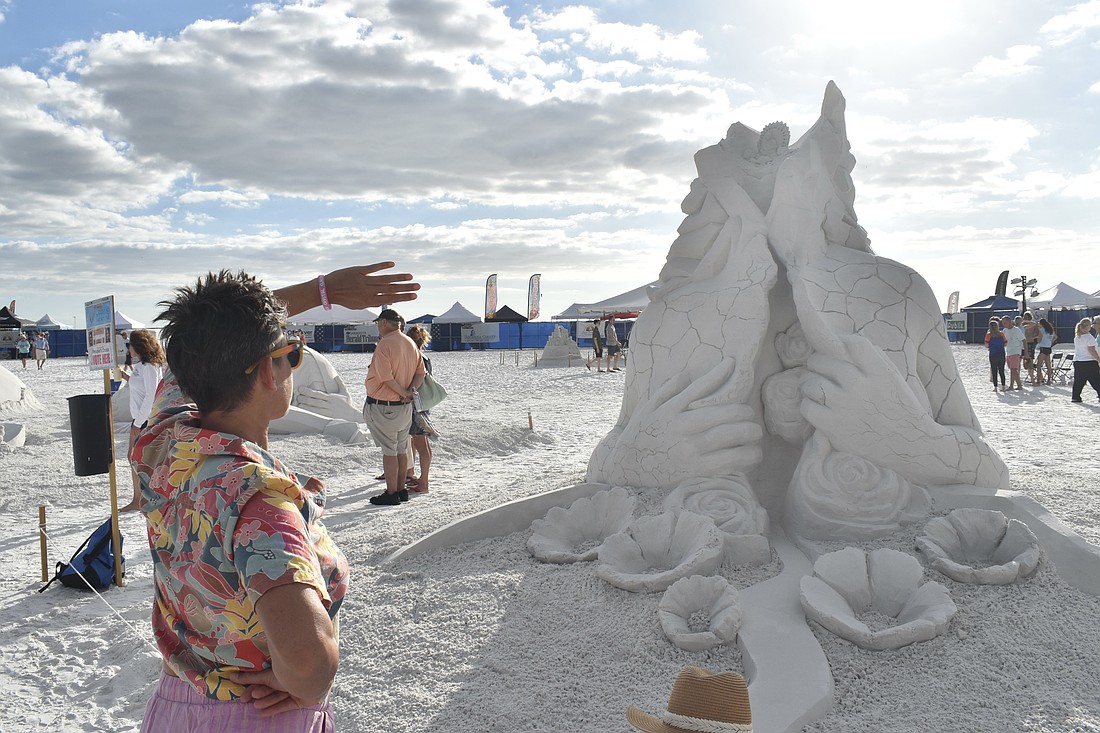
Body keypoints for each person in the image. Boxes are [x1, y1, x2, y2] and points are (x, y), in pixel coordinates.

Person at [132, 263, 418, 731]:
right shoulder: (262, 504)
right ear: (269, 369)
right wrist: (298, 683)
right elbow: (309, 664)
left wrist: (317, 291)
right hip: (256, 716)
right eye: (294, 352)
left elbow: (210, 345)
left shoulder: (162, 447)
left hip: (175, 706)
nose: (295, 361)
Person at [364, 309, 425, 506]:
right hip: (403, 407)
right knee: (400, 449)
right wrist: (410, 391)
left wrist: (403, 392)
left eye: (378, 324)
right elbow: (420, 373)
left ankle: (392, 492)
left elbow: (386, 377)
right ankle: (400, 490)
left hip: (386, 405)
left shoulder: (385, 344)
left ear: (383, 323)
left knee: (390, 450)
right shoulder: (410, 343)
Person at [119, 330, 166, 513]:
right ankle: (138, 498)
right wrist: (126, 377)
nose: (128, 348)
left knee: (137, 458)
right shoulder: (140, 366)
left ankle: (140, 499)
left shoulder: (150, 367)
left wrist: (138, 424)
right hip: (140, 418)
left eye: (130, 344)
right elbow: (141, 387)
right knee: (135, 457)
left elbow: (151, 395)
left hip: (147, 419)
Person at [406, 324, 434, 494]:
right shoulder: (425, 357)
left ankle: (423, 481)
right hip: (423, 403)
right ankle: (417, 476)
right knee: (419, 441)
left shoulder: (416, 358)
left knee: (419, 442)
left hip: (416, 404)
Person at [1071, 317, 1100, 403]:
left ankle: (1075, 396)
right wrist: (1098, 359)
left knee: (1079, 380)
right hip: (1089, 362)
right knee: (1096, 380)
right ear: (1088, 327)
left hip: (1078, 361)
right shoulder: (1089, 338)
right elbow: (1091, 350)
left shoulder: (1077, 338)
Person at [1002, 316, 1025, 390]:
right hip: (1008, 351)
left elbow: (1024, 340)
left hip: (1016, 351)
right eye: (1003, 322)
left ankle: (1018, 385)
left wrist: (1026, 352)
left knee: (1014, 369)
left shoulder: (1016, 330)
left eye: (1005, 322)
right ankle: (1013, 385)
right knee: (1012, 370)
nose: (1004, 324)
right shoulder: (1005, 330)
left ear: (1010, 322)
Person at [985, 318, 1006, 392]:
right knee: (1001, 370)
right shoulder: (1001, 334)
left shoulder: (989, 335)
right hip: (1001, 353)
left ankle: (995, 387)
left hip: (993, 353)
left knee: (994, 370)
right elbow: (1005, 343)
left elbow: (986, 345)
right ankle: (1003, 386)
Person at [1034, 318, 1056, 385]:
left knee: (1038, 365)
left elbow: (1039, 339)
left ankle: (1038, 381)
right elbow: (1055, 337)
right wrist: (1050, 342)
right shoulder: (1050, 330)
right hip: (1048, 347)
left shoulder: (1042, 329)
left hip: (1043, 347)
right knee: (1048, 365)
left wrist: (1037, 341)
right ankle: (1049, 380)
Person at [1022, 311, 1040, 383]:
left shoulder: (1033, 324)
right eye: (1025, 317)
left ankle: (1032, 378)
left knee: (1030, 360)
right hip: (1023, 343)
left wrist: (1032, 337)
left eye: (1027, 317)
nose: (1026, 318)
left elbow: (1037, 334)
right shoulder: (1022, 324)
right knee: (1025, 362)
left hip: (1030, 343)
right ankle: (1030, 376)